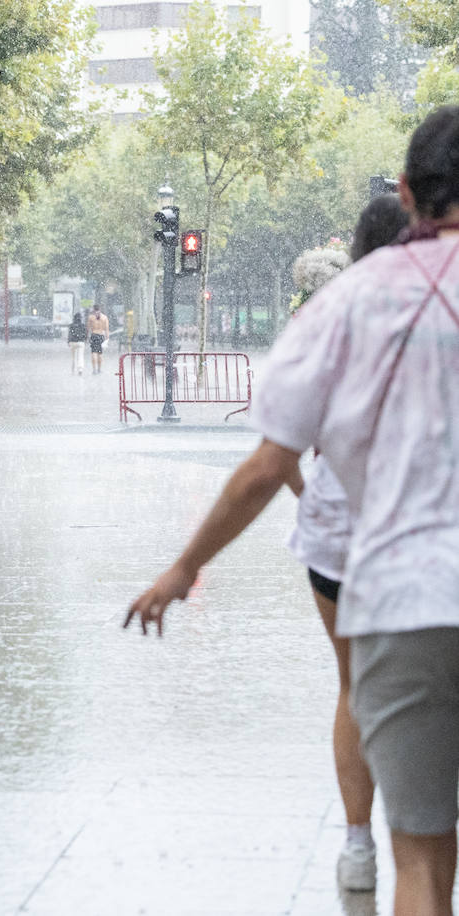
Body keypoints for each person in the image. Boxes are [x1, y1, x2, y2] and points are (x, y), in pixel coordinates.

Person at [127, 106, 459, 916]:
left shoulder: (346, 304)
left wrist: (184, 566)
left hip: (398, 599)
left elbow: (268, 464)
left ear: (408, 191)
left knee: (418, 855)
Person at [285, 193, 411, 893]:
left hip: (337, 533)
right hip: (422, 531)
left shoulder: (328, 322)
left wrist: (321, 503)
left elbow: (278, 454)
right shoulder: (438, 312)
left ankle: (359, 844)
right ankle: (426, 826)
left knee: (354, 685)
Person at [86, 304, 109, 374]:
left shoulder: (91, 317)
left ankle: (94, 369)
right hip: (101, 335)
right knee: (100, 353)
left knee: (94, 352)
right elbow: (106, 329)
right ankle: (99, 369)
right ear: (100, 309)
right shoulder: (104, 317)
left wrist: (87, 337)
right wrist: (107, 338)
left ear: (93, 309)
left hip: (94, 335)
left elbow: (88, 328)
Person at [67, 309, 87, 374]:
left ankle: (73, 370)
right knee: (80, 356)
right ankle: (80, 369)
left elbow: (69, 334)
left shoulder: (71, 325)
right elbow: (85, 334)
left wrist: (68, 341)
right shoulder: (83, 325)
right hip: (80, 342)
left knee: (73, 357)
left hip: (72, 342)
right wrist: (85, 340)